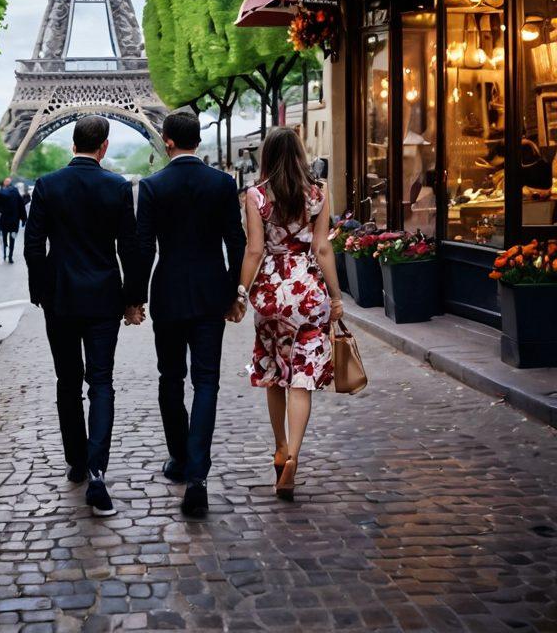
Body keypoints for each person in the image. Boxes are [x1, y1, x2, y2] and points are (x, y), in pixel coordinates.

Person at [24, 115, 139, 518]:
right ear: (104, 147)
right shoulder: (117, 187)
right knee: (102, 382)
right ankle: (97, 470)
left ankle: (75, 459)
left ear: (73, 143)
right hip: (104, 297)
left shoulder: (48, 185)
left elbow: (33, 245)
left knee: (67, 381)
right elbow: (130, 247)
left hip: (61, 298)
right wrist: (132, 298)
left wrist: (40, 291)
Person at [135, 108, 246, 519]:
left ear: (166, 140)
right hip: (209, 295)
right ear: (198, 140)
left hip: (168, 294)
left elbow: (145, 248)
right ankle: (197, 476)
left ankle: (179, 458)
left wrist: (135, 296)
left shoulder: (152, 185)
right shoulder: (221, 183)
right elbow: (236, 242)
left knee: (170, 378)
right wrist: (234, 290)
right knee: (207, 381)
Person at [240, 126, 343, 502]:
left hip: (270, 290)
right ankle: (295, 456)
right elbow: (323, 249)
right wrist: (335, 296)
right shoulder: (318, 192)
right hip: (307, 290)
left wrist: (241, 292)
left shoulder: (255, 195)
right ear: (300, 154)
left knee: (274, 372)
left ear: (266, 155)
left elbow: (254, 250)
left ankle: (280, 449)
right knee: (302, 378)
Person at [0, 178, 26, 262]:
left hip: (5, 219)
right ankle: (10, 256)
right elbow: (21, 206)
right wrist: (24, 219)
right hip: (14, 220)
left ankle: (5, 253)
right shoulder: (16, 193)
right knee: (12, 238)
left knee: (4, 236)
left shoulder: (0, 193)